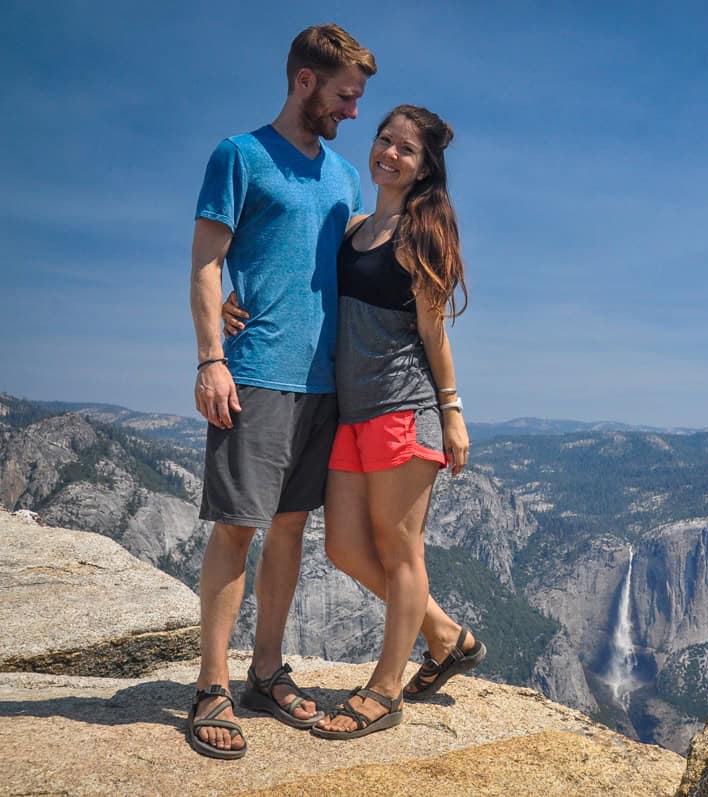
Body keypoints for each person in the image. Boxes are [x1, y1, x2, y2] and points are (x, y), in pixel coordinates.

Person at [221, 105, 485, 740]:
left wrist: (452, 413)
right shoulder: (355, 227)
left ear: (424, 170)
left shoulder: (423, 234)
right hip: (350, 412)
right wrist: (242, 295)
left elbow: (433, 330)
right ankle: (445, 635)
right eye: (384, 141)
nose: (389, 155)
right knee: (342, 546)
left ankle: (386, 689)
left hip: (403, 407)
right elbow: (300, 278)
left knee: (400, 552)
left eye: (406, 151)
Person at [187, 23, 376, 760]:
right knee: (238, 526)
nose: (353, 112)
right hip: (258, 369)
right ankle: (210, 684)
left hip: (324, 380)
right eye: (345, 96)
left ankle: (266, 671)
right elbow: (207, 262)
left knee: (292, 527)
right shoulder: (239, 155)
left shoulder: (343, 177)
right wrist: (211, 357)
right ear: (305, 81)